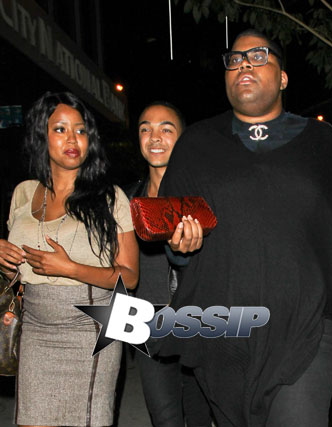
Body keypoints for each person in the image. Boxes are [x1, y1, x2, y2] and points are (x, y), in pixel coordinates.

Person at [157, 29, 332, 426]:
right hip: (223, 329)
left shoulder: (321, 143)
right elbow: (172, 234)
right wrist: (179, 245)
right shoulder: (196, 144)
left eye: (257, 56)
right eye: (235, 60)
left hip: (305, 326)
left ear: (283, 77)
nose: (244, 65)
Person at [0, 92, 139, 426]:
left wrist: (70, 268)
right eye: (60, 129)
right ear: (41, 136)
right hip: (35, 330)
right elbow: (13, 274)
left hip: (91, 330)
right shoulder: (24, 193)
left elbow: (130, 276)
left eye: (80, 130)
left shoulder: (110, 197)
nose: (72, 139)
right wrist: (3, 262)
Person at [126, 101, 211, 427]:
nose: (154, 137)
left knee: (200, 417)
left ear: (183, 137)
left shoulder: (203, 198)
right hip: (147, 324)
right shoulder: (128, 199)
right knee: (165, 419)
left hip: (199, 322)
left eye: (166, 129)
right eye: (145, 129)